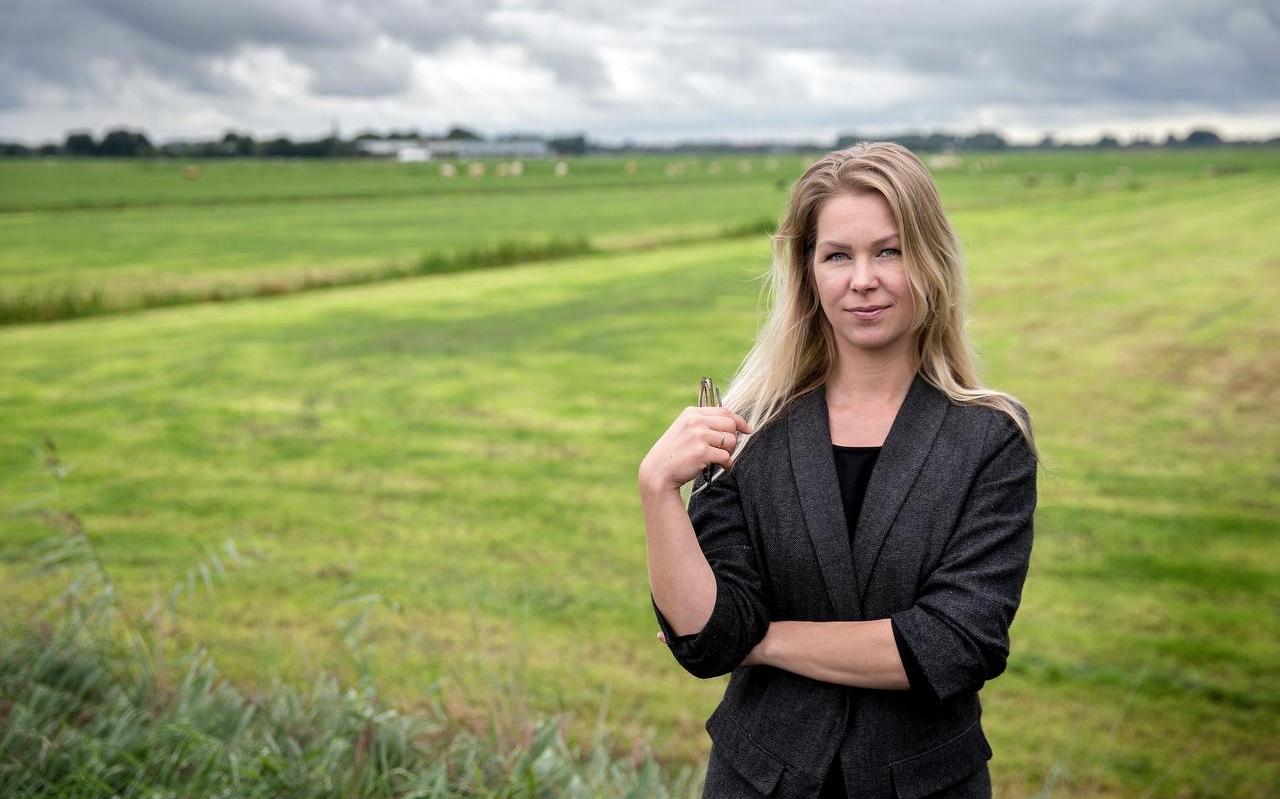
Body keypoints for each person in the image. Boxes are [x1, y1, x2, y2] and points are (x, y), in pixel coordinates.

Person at [637, 142, 1039, 799]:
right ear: (809, 272)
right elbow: (708, 642)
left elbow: (956, 643)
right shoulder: (748, 429)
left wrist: (762, 642)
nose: (863, 280)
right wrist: (657, 490)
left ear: (931, 260)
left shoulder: (989, 439)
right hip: (756, 781)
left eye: (889, 250)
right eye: (837, 256)